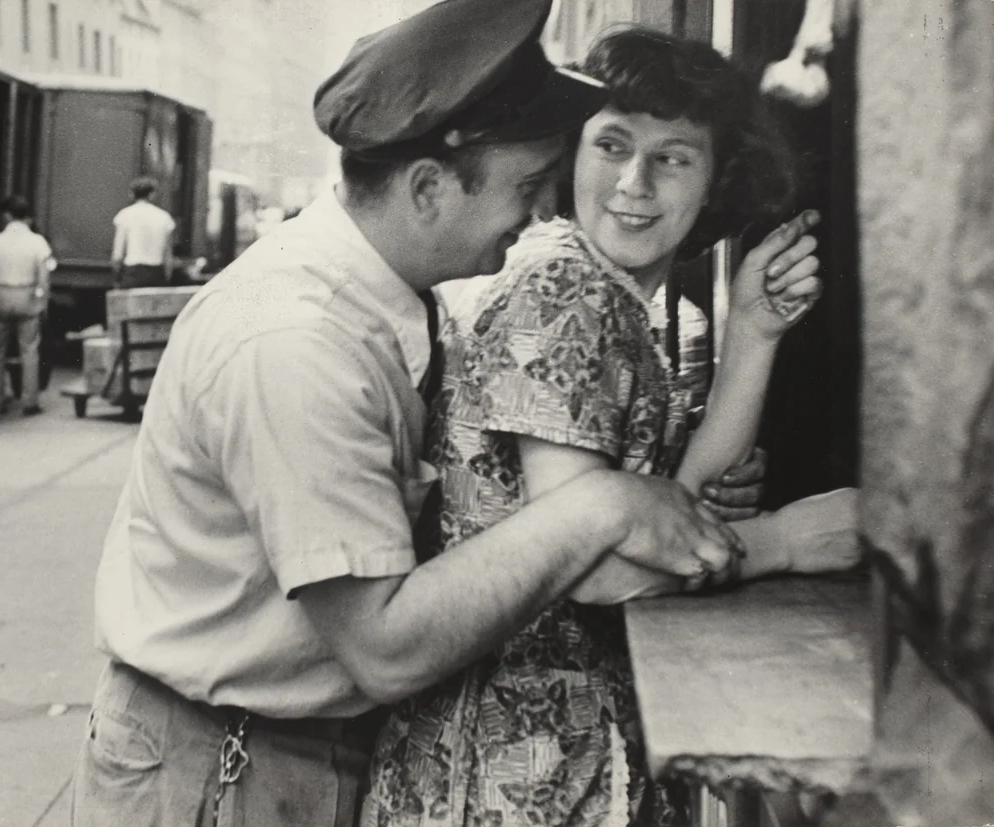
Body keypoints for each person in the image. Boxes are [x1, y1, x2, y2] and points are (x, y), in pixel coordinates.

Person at [70, 4, 758, 826]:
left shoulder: (390, 298)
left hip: (294, 750)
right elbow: (386, 647)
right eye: (525, 187)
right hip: (222, 766)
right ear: (429, 186)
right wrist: (605, 507)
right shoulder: (294, 344)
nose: (540, 215)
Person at [361, 27, 862, 827]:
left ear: (715, 181)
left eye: (673, 157)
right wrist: (787, 541)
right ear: (569, 158)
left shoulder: (616, 296)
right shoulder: (566, 291)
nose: (635, 182)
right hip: (510, 778)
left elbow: (674, 512)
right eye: (613, 145)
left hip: (561, 761)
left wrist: (754, 333)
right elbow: (593, 568)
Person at [0, 194, 52, 416]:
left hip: (2, 294)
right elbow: (44, 278)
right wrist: (42, 300)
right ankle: (29, 402)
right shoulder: (38, 242)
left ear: (7, 215)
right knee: (29, 349)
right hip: (27, 295)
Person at [111, 176, 176, 288]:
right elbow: (168, 257)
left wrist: (117, 278)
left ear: (131, 194)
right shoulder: (164, 217)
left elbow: (117, 255)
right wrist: (166, 278)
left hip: (132, 273)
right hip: (156, 273)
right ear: (152, 194)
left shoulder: (124, 215)